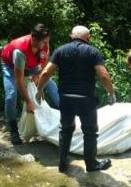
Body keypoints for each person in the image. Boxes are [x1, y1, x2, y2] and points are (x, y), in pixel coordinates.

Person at [37, 25, 116, 173]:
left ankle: (62, 164)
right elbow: (104, 75)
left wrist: (39, 90)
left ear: (71, 36)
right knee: (90, 132)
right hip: (86, 100)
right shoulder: (93, 52)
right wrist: (111, 93)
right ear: (88, 38)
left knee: (65, 131)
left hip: (66, 99)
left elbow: (46, 72)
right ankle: (91, 165)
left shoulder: (60, 50)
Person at [0, 23, 60, 145]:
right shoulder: (19, 51)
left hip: (32, 65)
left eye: (47, 41)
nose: (46, 44)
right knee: (11, 95)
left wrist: (38, 74)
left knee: (51, 86)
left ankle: (67, 116)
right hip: (11, 67)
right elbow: (19, 80)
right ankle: (13, 130)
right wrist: (28, 101)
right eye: (43, 42)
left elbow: (44, 65)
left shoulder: (44, 43)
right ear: (33, 38)